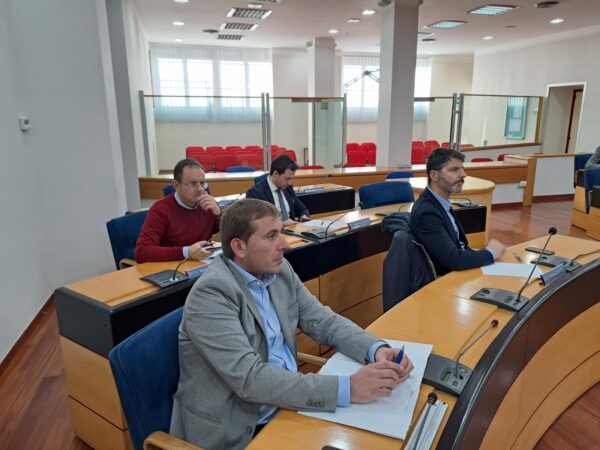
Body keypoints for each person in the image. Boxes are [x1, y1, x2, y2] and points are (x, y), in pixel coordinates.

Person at [170, 199, 414, 450]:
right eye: (271, 236)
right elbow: (251, 380)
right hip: (240, 428)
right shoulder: (212, 294)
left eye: (281, 232)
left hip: (286, 403)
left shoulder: (279, 269)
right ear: (239, 247)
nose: (284, 244)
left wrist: (375, 348)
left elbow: (321, 320)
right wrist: (349, 388)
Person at [409, 148, 506, 276]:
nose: (463, 174)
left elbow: (460, 247)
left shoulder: (440, 203)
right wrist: (490, 252)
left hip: (458, 272)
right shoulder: (426, 213)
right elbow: (453, 260)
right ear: (434, 175)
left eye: (462, 168)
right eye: (454, 169)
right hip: (446, 278)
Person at [135, 158, 221, 263]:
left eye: (202, 183)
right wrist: (186, 252)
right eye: (192, 184)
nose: (200, 189)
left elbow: (226, 235)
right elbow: (142, 252)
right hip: (171, 266)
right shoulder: (160, 210)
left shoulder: (208, 204)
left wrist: (219, 215)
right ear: (176, 185)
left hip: (201, 264)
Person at [245, 154, 310, 226]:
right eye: (287, 179)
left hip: (291, 230)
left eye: (291, 179)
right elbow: (255, 222)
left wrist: (303, 216)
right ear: (275, 173)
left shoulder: (288, 188)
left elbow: (302, 209)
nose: (290, 183)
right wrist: (281, 224)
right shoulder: (255, 193)